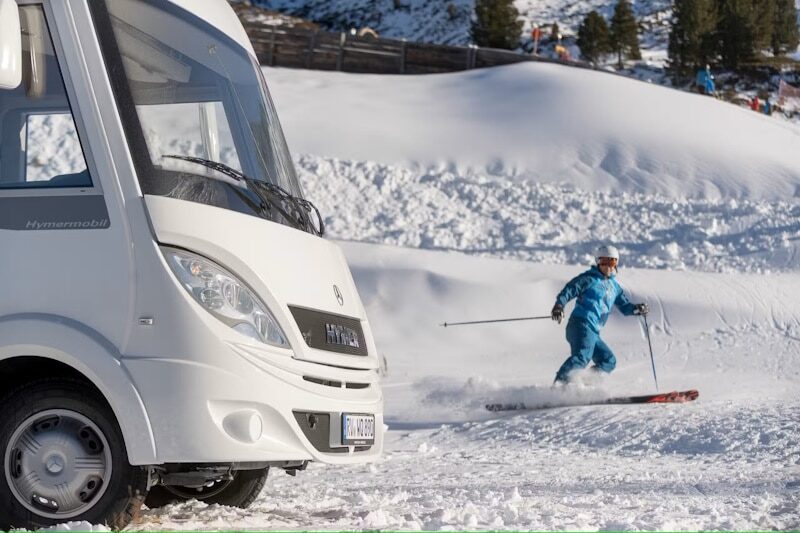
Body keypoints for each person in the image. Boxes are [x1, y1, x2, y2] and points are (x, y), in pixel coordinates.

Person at [551, 245, 648, 384]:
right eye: (604, 262)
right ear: (598, 262)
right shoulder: (588, 279)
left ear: (616, 264)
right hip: (580, 324)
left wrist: (637, 309)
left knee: (608, 360)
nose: (608, 266)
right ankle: (559, 385)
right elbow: (569, 290)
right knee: (582, 356)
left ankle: (582, 382)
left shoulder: (615, 287)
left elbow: (625, 307)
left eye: (612, 262)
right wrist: (559, 305)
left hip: (593, 332)